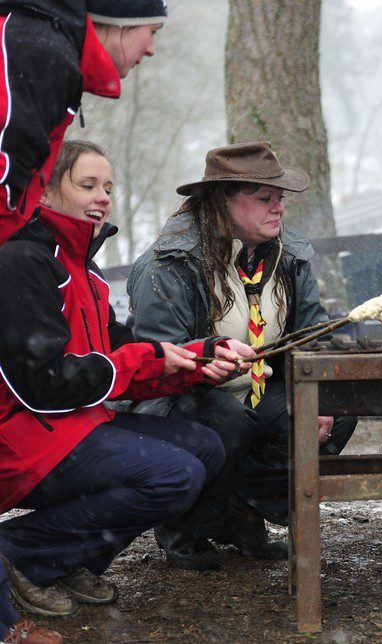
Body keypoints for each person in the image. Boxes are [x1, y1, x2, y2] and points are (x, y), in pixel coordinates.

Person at [0, 140, 251, 618]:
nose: (103, 197)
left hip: (71, 426)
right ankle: (18, 553)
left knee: (205, 446)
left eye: (108, 187)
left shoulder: (84, 270)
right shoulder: (21, 263)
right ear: (46, 193)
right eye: (87, 185)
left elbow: (117, 351)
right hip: (21, 439)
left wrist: (198, 357)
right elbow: (43, 384)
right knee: (173, 474)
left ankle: (66, 561)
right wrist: (145, 359)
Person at [127, 141, 358, 570]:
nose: (279, 210)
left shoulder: (291, 256)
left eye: (280, 199)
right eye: (264, 198)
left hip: (258, 387)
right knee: (224, 420)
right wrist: (204, 364)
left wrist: (320, 395)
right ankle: (184, 523)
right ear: (222, 202)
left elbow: (310, 333)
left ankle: (240, 507)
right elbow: (158, 360)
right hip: (183, 397)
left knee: (335, 410)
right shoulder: (169, 263)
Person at [0, 0, 166, 246]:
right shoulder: (38, 52)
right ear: (122, 22)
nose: (152, 49)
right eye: (152, 31)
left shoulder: (43, 45)